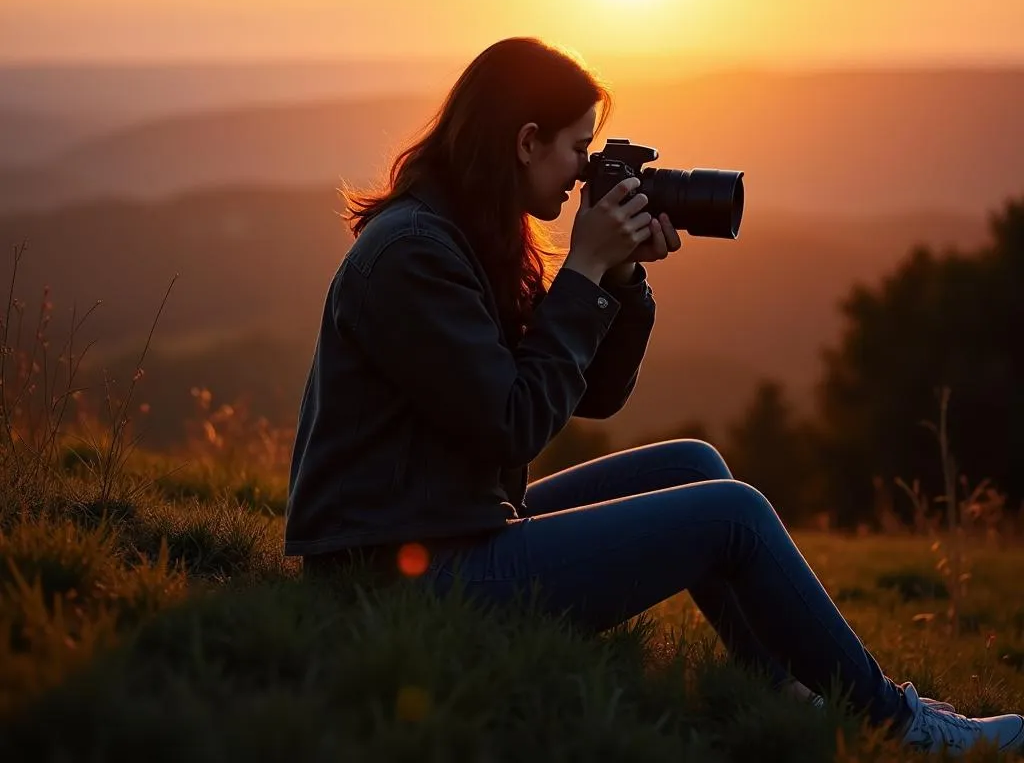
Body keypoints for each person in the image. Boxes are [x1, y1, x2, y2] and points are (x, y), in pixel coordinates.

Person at [284, 37, 1023, 756]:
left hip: (449, 522)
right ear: (526, 140)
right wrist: (581, 272)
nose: (584, 175)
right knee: (733, 515)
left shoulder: (466, 233)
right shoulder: (414, 253)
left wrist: (621, 279)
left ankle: (783, 695)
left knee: (697, 464)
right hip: (396, 580)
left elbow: (592, 397)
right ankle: (897, 727)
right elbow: (513, 425)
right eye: (578, 149)